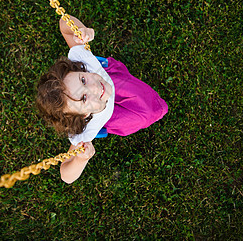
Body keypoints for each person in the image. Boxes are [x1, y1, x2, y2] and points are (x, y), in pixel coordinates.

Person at [36, 16, 168, 183]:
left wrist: (82, 30)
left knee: (140, 92)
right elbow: (66, 176)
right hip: (116, 115)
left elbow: (64, 24)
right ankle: (157, 110)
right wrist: (80, 159)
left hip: (114, 79)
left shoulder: (85, 63)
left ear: (79, 69)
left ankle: (150, 100)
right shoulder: (86, 128)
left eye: (83, 80)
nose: (94, 88)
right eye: (83, 98)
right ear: (83, 116)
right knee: (148, 112)